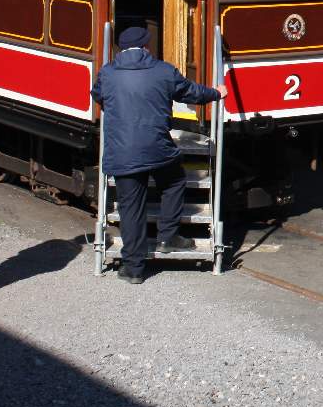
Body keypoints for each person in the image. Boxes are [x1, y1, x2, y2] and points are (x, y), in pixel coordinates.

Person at [91, 26, 227, 284]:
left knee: (131, 207)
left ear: (120, 48)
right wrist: (217, 93)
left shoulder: (108, 73)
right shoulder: (163, 71)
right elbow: (192, 93)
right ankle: (168, 236)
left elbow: (97, 95)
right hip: (157, 147)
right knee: (174, 181)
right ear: (146, 47)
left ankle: (133, 269)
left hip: (122, 151)